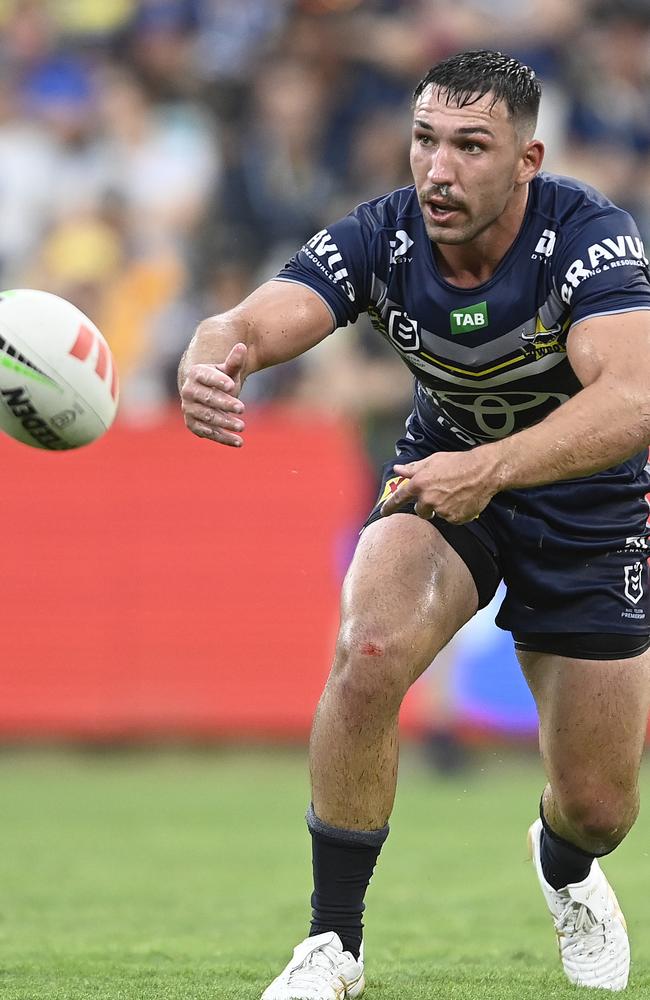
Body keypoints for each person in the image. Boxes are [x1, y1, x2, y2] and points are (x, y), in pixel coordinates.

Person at [178, 50, 650, 997]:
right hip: (444, 479)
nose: (439, 169)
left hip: (592, 504)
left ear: (528, 160)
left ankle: (563, 868)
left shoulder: (590, 239)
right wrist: (210, 352)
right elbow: (259, 317)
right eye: (426, 141)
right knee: (369, 645)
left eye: (472, 146)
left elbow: (635, 399)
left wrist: (492, 468)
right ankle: (333, 946)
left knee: (599, 808)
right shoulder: (386, 236)